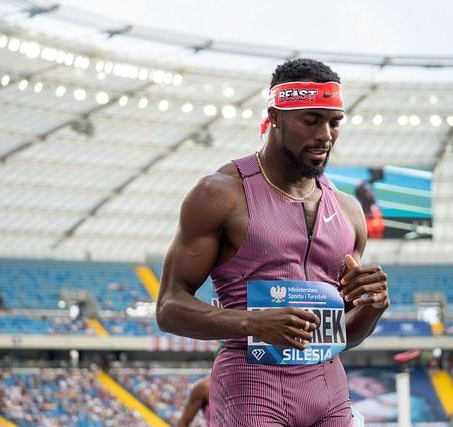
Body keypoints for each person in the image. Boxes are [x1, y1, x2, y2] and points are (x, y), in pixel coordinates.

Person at [157, 57, 390, 426]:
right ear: (276, 117)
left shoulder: (349, 212)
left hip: (330, 391)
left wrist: (374, 307)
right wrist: (254, 324)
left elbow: (343, 335)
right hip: (252, 388)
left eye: (334, 122)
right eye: (310, 120)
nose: (325, 135)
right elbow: (169, 307)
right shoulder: (221, 194)